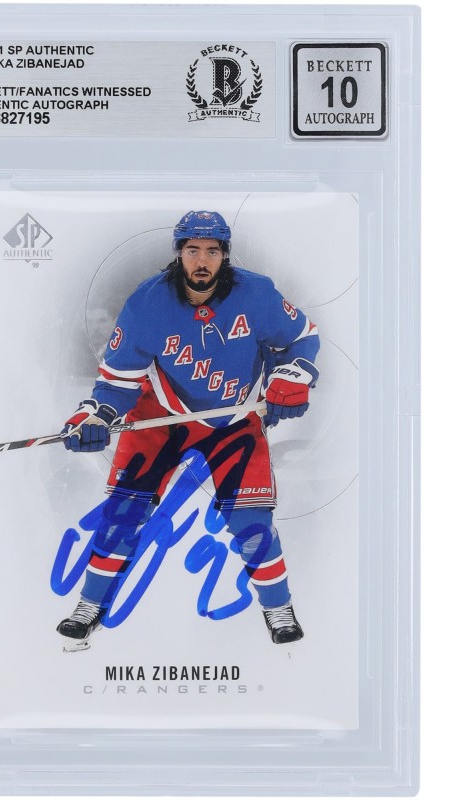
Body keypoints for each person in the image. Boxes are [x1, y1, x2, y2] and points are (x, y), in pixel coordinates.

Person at [57, 210, 320, 648]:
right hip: (162, 417)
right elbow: (117, 382)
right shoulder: (147, 303)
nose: (202, 260)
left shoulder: (257, 294)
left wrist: (293, 375)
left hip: (234, 418)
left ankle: (279, 610)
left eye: (212, 251)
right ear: (178, 253)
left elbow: (302, 337)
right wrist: (96, 416)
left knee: (251, 523)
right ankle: (89, 606)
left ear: (224, 255)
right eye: (193, 250)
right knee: (122, 516)